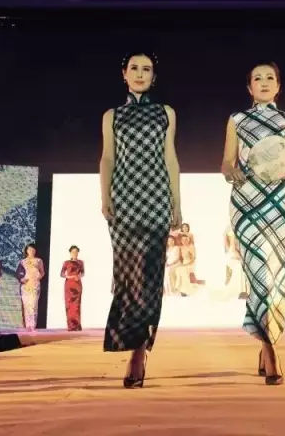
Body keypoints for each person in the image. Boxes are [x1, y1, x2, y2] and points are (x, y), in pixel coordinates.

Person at [221, 61, 285, 385]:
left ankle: (266, 338)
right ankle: (270, 348)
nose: (264, 82)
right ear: (249, 87)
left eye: (270, 77)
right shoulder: (237, 120)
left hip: (281, 204)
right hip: (247, 202)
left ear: (278, 86)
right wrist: (233, 172)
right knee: (258, 273)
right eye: (257, 78)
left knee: (277, 274)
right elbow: (226, 163)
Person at [99, 51, 182, 388]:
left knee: (150, 276)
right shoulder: (112, 116)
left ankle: (138, 351)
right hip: (124, 200)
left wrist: (177, 203)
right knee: (128, 275)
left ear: (153, 77)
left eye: (146, 69)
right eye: (134, 68)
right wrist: (105, 197)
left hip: (156, 199)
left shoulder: (166, 112)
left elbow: (170, 157)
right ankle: (133, 341)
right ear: (124, 73)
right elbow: (107, 158)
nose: (139, 74)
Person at [15, 243, 45, 331]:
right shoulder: (22, 261)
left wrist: (38, 277)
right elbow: (18, 274)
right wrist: (22, 279)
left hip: (35, 285)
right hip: (25, 286)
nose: (31, 251)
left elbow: (42, 272)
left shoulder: (39, 260)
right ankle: (27, 325)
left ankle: (33, 325)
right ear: (26, 251)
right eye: (29, 249)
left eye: (33, 249)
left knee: (33, 305)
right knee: (26, 305)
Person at [60, 245, 85, 331]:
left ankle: (77, 325)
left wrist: (79, 276)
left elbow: (83, 273)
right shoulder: (66, 262)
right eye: (73, 252)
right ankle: (71, 326)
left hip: (77, 285)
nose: (75, 253)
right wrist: (70, 276)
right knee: (69, 305)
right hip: (69, 285)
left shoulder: (81, 262)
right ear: (70, 253)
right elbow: (62, 274)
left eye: (76, 252)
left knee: (77, 305)